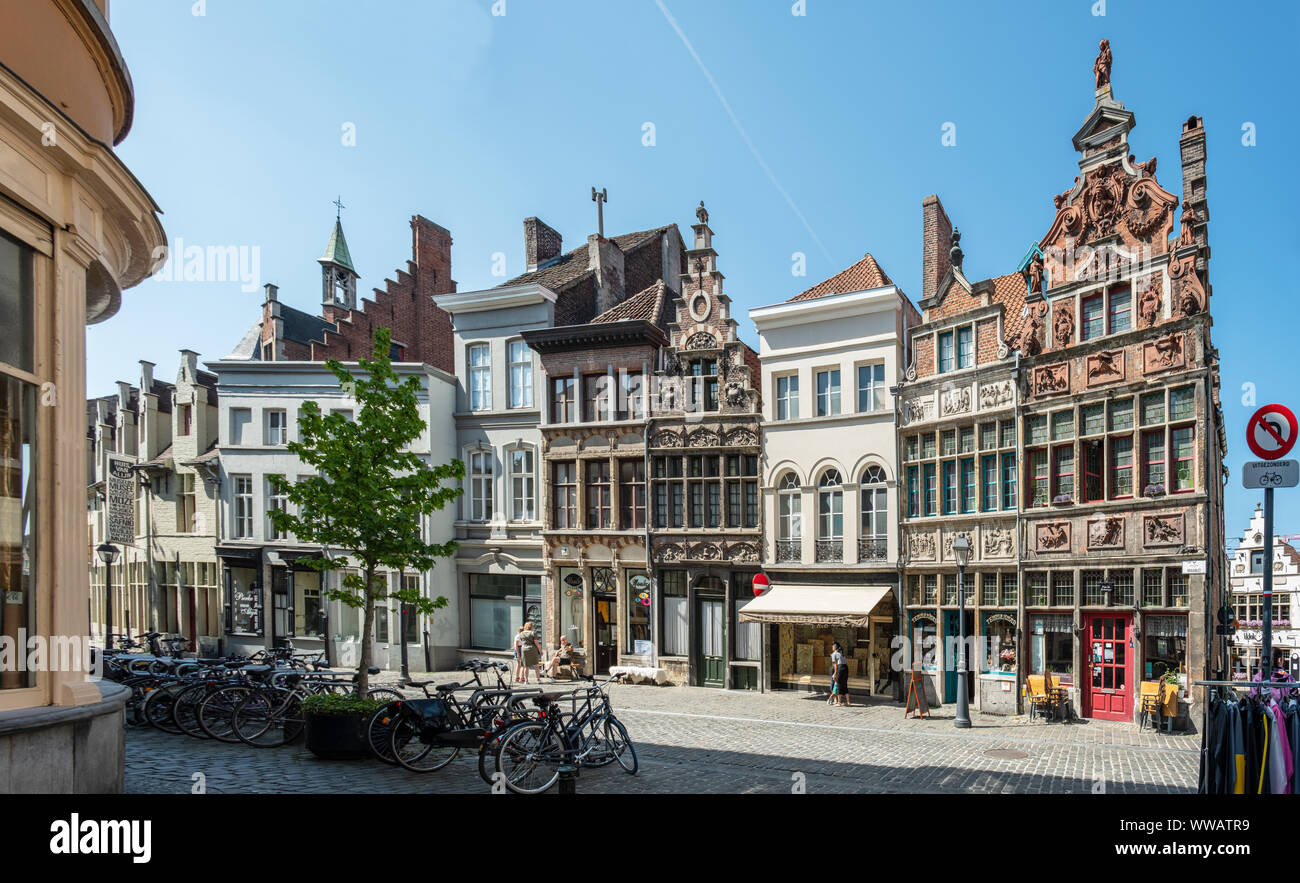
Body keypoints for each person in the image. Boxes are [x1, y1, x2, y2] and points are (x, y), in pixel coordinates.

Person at [830, 641, 850, 707]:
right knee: (844, 684)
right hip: (845, 668)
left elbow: (835, 665)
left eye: (832, 646)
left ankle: (839, 702)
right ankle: (848, 702)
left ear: (835, 647)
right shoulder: (841, 653)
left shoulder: (834, 654)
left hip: (840, 668)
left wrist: (835, 673)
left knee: (839, 684)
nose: (832, 647)